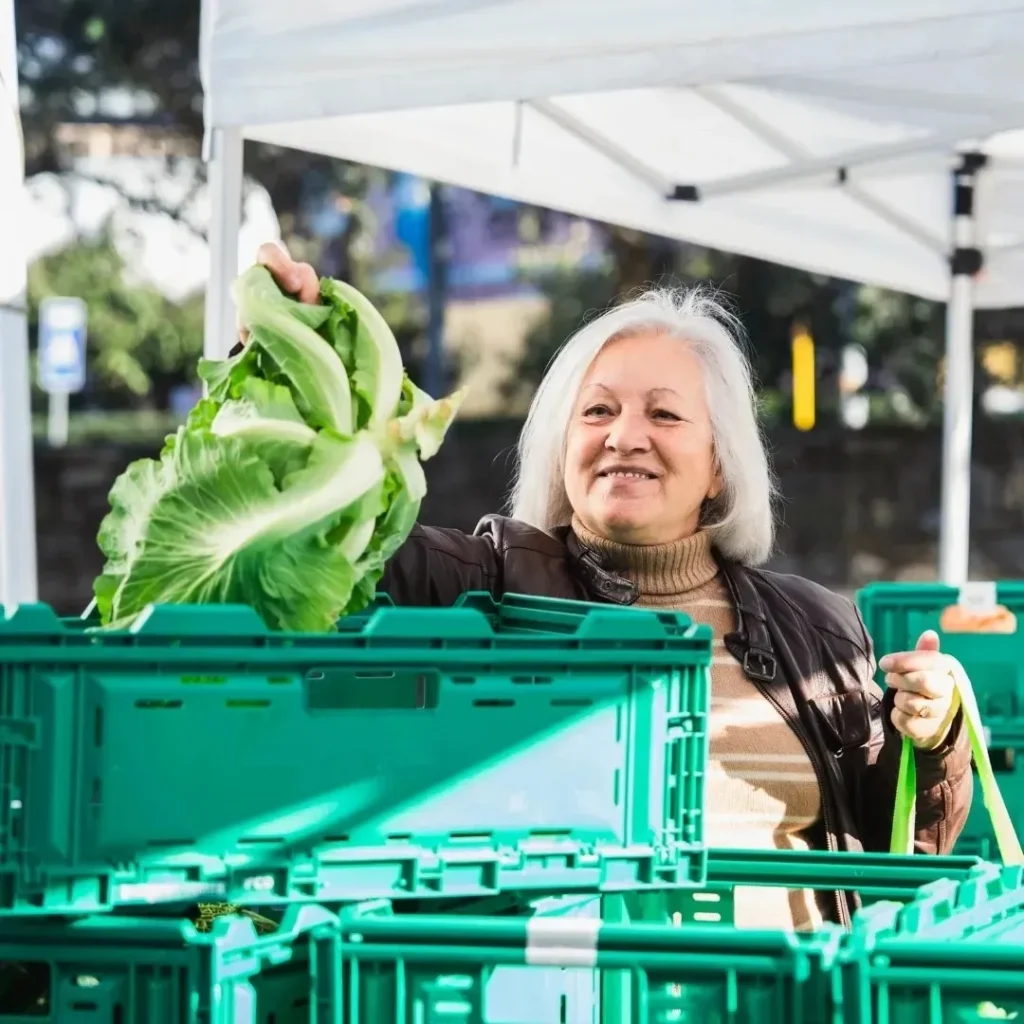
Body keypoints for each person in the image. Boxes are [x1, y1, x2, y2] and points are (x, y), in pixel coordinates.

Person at [242, 243, 972, 931]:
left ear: (720, 463)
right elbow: (329, 540)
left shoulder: (819, 628)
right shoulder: (477, 585)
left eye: (663, 412)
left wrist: (936, 738)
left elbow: (894, 855)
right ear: (563, 449)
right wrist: (291, 368)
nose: (625, 435)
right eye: (597, 411)